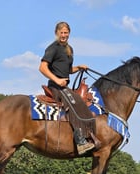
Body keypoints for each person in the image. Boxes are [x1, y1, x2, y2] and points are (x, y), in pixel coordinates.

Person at [39, 21, 100, 155]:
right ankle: (80, 142)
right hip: (56, 87)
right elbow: (42, 67)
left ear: (69, 34)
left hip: (64, 86)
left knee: (79, 101)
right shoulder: (53, 48)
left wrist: (78, 68)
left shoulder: (69, 49)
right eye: (61, 32)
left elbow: (66, 70)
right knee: (74, 103)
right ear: (56, 33)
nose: (63, 35)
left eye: (66, 32)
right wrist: (57, 80)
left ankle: (88, 135)